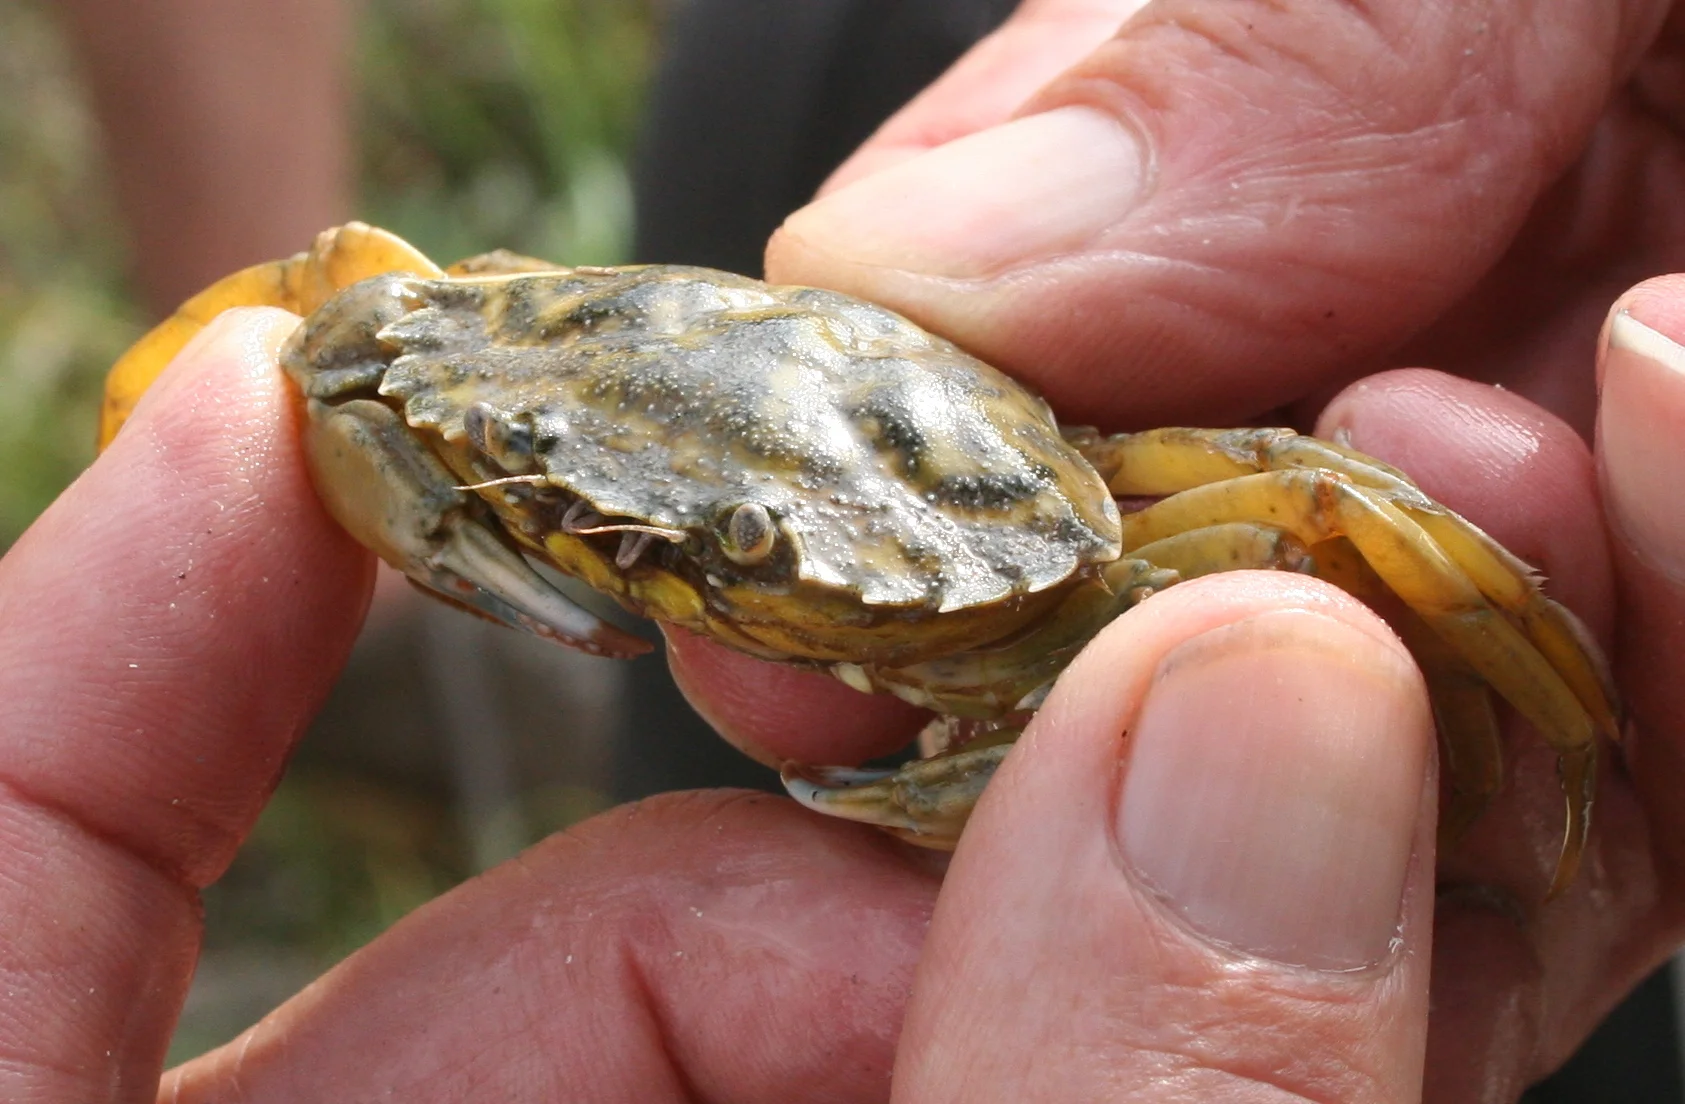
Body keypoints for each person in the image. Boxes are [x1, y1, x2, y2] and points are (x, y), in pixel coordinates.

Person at [7, 2, 1685, 1101]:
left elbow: (1350, 514)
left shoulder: (1150, 539)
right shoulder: (481, 330)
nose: (654, 569)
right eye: (564, 498)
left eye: (738, 550)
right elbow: (338, 324)